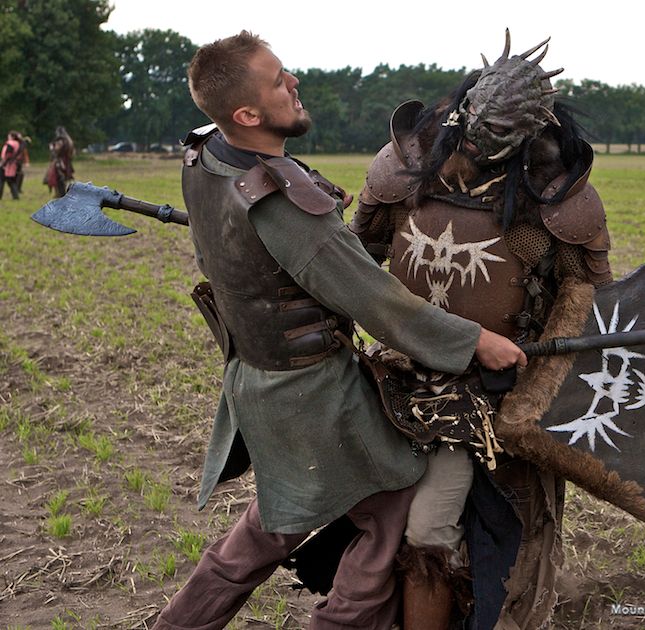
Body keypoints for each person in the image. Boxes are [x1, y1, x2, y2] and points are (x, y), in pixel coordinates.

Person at [151, 31, 526, 630]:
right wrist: (476, 341)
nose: (294, 82)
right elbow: (379, 302)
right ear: (246, 115)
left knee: (272, 523)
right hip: (314, 395)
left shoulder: (205, 155)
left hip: (255, 380)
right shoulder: (283, 202)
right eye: (278, 81)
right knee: (388, 512)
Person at [350, 31, 612, 629]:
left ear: (530, 131)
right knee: (387, 523)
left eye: (496, 130)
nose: (475, 136)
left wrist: (536, 393)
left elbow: (585, 296)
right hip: (396, 374)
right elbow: (354, 261)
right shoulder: (407, 167)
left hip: (492, 389)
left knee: (478, 530)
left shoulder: (553, 199)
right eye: (473, 118)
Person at [44, 125, 75, 197]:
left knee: (58, 178)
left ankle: (61, 195)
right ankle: (60, 194)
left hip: (60, 162)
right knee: (62, 178)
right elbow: (73, 153)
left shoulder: (60, 141)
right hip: (67, 161)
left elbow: (56, 151)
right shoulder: (69, 141)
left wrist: (51, 148)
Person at [0, 131, 23, 200]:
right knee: (11, 182)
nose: (8, 137)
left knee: (1, 181)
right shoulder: (17, 143)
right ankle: (16, 196)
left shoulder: (10, 144)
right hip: (13, 165)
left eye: (9, 135)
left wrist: (3, 164)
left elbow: (8, 155)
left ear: (12, 137)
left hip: (7, 165)